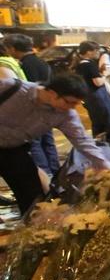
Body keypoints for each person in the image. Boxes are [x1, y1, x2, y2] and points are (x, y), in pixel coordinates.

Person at [0, 74, 110, 214]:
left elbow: (83, 141)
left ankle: (29, 224)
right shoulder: (12, 87)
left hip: (14, 149)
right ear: (52, 93)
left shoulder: (66, 114)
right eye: (69, 102)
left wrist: (108, 167)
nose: (72, 107)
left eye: (76, 104)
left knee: (32, 197)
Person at [9, 33, 59, 177]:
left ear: (13, 48)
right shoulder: (42, 62)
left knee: (35, 144)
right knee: (48, 141)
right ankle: (55, 173)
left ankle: (45, 174)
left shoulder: (23, 65)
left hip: (34, 110)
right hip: (49, 108)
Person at [75, 40, 110, 136]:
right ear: (89, 52)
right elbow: (98, 82)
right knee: (108, 122)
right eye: (97, 50)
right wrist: (105, 74)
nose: (99, 53)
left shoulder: (79, 65)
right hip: (99, 98)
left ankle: (98, 142)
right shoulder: (89, 64)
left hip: (90, 98)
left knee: (97, 123)